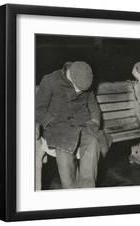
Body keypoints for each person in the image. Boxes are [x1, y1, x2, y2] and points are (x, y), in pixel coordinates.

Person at [36, 61, 102, 189]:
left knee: (93, 142)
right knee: (65, 152)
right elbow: (38, 109)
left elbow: (93, 106)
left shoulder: (85, 79)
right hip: (58, 129)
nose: (79, 92)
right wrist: (51, 122)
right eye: (77, 88)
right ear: (70, 75)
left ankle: (88, 189)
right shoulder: (50, 80)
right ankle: (70, 192)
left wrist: (95, 121)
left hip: (82, 126)